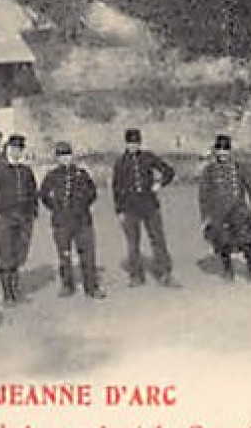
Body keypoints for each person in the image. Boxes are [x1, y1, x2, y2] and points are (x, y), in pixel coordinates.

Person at [112, 127, 177, 287]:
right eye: (130, 143)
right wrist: (119, 211)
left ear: (140, 143)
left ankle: (164, 273)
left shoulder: (148, 157)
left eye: (136, 143)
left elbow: (169, 171)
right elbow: (116, 188)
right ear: (126, 143)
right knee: (133, 243)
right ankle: (136, 275)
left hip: (149, 206)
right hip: (129, 208)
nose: (133, 146)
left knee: (158, 239)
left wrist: (159, 184)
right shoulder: (120, 162)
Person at [39, 141, 105, 299]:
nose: (65, 159)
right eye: (61, 156)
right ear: (57, 158)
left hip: (82, 221)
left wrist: (82, 206)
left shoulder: (81, 174)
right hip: (61, 222)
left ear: (72, 156)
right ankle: (67, 285)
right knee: (64, 255)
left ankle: (92, 287)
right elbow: (43, 195)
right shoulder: (52, 176)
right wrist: (56, 208)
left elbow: (92, 192)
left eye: (67, 155)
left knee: (87, 254)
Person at [0, 133, 39, 305]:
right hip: (6, 217)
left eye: (19, 149)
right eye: (13, 148)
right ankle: (7, 294)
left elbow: (33, 192)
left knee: (20, 253)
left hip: (24, 217)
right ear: (8, 149)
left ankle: (15, 288)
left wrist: (33, 212)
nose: (16, 152)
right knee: (5, 253)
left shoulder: (26, 171)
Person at [199, 134, 251, 281]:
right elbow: (203, 194)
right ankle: (228, 272)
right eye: (219, 150)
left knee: (246, 240)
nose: (222, 154)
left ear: (229, 151)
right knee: (222, 242)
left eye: (225, 150)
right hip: (218, 212)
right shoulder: (209, 170)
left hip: (238, 209)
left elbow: (250, 186)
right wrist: (205, 215)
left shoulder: (239, 167)